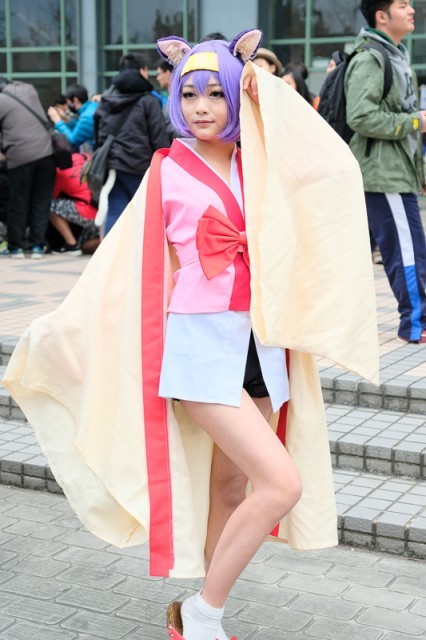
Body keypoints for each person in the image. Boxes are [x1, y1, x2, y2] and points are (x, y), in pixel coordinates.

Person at [3, 31, 380, 640]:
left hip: (263, 345)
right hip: (201, 348)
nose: (202, 106)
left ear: (237, 95)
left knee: (230, 485)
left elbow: (334, 164)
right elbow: (119, 266)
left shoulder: (262, 160)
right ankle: (200, 614)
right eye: (189, 93)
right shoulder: (166, 170)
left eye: (217, 93)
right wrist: (60, 332)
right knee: (281, 483)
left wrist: (266, 93)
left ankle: (207, 611)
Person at [345, 0, 426, 344]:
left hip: (396, 172)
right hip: (382, 174)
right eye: (403, 4)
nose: (412, 10)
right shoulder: (371, 58)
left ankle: (417, 319)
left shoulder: (396, 57)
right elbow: (360, 116)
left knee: (410, 248)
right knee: (406, 250)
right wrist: (414, 121)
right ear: (381, 16)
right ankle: (416, 324)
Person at [94, 52, 171, 235]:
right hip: (141, 167)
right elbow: (159, 138)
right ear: (142, 71)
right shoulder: (149, 101)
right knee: (145, 214)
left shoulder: (106, 100)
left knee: (116, 211)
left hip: (114, 166)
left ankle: (112, 252)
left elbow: (97, 135)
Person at [0, 77, 56, 259]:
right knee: (41, 202)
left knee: (18, 202)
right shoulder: (30, 90)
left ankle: (16, 248)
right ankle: (37, 246)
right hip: (47, 154)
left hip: (21, 157)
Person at [49, 152, 99, 256]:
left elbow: (53, 195)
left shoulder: (59, 172)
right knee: (86, 243)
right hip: (104, 211)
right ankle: (108, 240)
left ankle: (71, 245)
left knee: (51, 205)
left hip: (87, 212)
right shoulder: (85, 157)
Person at [48, 84, 98, 151]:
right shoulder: (93, 107)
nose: (68, 105)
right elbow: (80, 128)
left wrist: (57, 121)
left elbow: (73, 142)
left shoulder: (87, 117)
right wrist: (66, 119)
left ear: (75, 100)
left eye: (68, 102)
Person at [155, 58, 175, 140]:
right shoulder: (172, 96)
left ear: (167, 73)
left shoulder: (178, 98)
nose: (157, 78)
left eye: (159, 74)